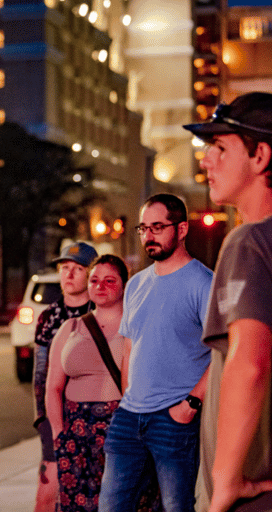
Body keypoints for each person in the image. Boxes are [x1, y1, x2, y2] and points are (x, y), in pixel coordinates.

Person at [183, 92, 272, 512]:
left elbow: (248, 362)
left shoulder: (250, 241)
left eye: (220, 147)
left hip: (253, 488)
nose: (206, 161)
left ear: (260, 157)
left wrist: (224, 485)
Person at [98, 194, 213, 512]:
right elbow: (130, 347)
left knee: (177, 507)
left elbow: (224, 352)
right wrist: (126, 399)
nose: (149, 235)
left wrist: (190, 404)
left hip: (174, 420)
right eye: (143, 228)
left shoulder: (203, 283)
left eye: (158, 227)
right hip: (129, 418)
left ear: (182, 229)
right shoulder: (135, 285)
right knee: (110, 507)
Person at [46, 254, 129, 511]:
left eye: (109, 281)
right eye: (94, 280)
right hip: (75, 434)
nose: (100, 286)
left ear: (124, 285)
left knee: (120, 502)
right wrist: (59, 433)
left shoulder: (134, 327)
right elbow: (53, 387)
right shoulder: (70, 328)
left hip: (119, 428)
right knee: (78, 505)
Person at [33, 241, 98, 512]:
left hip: (99, 416)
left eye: (77, 268)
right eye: (64, 268)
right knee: (47, 494)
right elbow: (40, 375)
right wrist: (43, 421)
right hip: (57, 413)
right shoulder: (49, 317)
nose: (68, 275)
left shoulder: (105, 312)